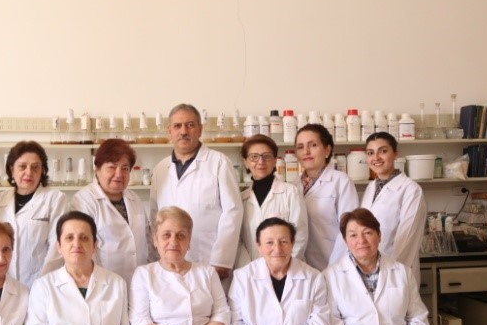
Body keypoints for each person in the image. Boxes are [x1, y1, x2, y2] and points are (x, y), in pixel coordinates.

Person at [149, 103, 242, 282]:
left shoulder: (219, 162)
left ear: (200, 129)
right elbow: (155, 216)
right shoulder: (160, 168)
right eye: (177, 126)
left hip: (209, 260)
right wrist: (156, 257)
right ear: (169, 131)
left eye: (190, 125)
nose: (183, 131)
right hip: (169, 261)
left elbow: (233, 212)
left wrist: (222, 260)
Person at [69, 138, 152, 286]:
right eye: (112, 167)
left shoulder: (134, 199)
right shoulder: (84, 201)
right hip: (102, 285)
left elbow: (147, 239)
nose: (119, 174)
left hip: (139, 283)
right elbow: (81, 249)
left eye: (125, 168)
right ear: (97, 169)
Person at [0, 141, 67, 288]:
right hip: (2, 284)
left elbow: (57, 248)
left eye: (35, 167)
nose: (29, 172)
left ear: (42, 171)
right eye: (22, 166)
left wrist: (42, 284)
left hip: (42, 283)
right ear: (11, 169)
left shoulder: (55, 199)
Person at [361, 132, 427, 283]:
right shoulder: (371, 187)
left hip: (396, 275)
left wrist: (388, 276)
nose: (376, 158)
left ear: (396, 154)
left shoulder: (411, 190)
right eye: (370, 153)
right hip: (370, 271)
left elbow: (407, 240)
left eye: (383, 151)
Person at [236, 134, 308, 267]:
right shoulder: (241, 199)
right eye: (254, 157)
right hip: (251, 271)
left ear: (275, 160)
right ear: (245, 162)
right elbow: (238, 240)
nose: (260, 161)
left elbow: (300, 236)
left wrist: (281, 269)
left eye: (267, 156)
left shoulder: (290, 192)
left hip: (286, 270)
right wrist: (250, 270)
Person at [295, 123, 358, 270]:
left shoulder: (341, 181)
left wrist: (334, 269)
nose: (306, 151)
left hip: (335, 266)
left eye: (313, 145)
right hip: (302, 269)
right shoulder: (293, 186)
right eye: (300, 147)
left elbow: (349, 230)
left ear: (327, 150)